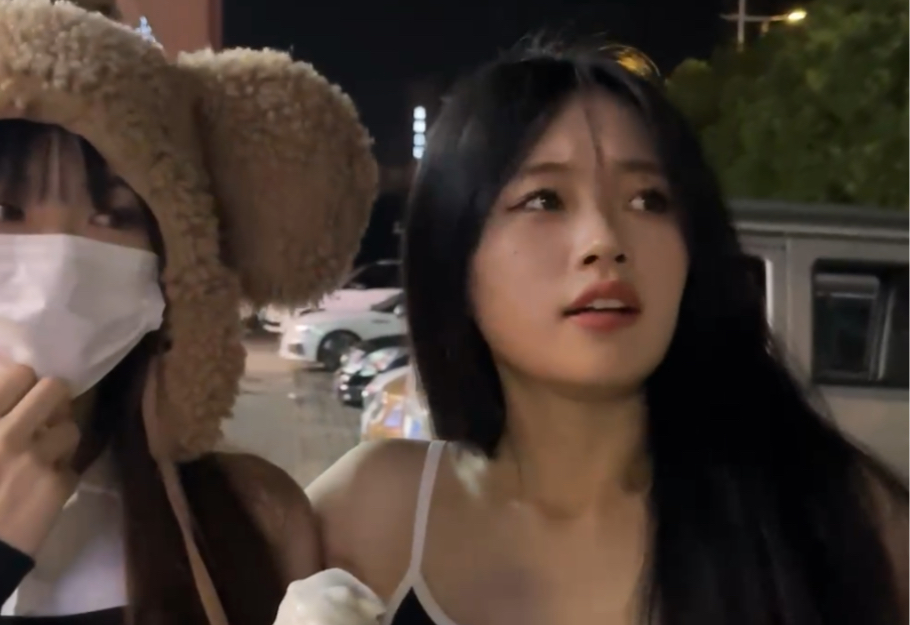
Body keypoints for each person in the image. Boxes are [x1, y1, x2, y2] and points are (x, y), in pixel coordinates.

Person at [308, 43, 908, 625]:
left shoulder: (834, 520)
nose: (604, 241)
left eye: (649, 200)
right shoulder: (370, 516)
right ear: (453, 252)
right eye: (544, 199)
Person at [0, 1, 377, 624]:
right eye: (3, 210)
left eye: (114, 217)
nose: (62, 265)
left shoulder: (252, 516)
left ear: (173, 265)